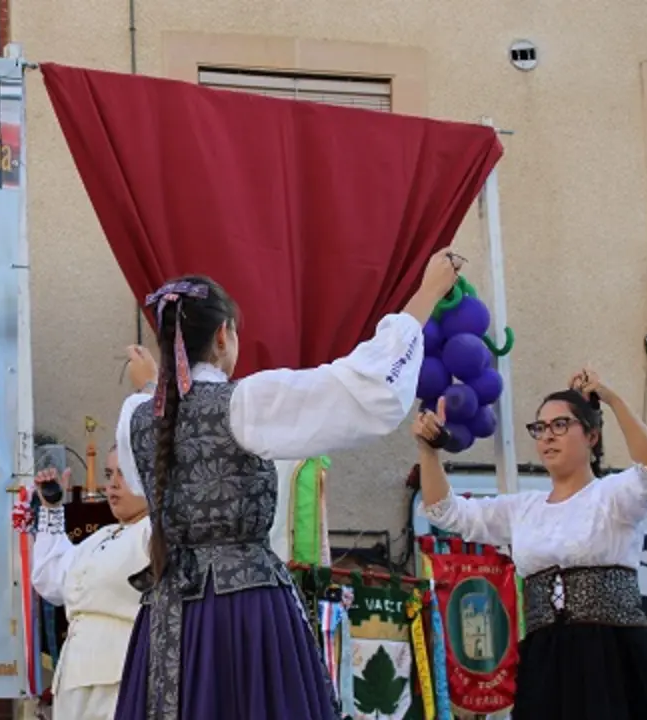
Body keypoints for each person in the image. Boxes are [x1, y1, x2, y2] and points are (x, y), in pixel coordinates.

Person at [112, 249, 462, 720]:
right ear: (223, 335)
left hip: (168, 615)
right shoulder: (243, 403)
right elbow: (366, 391)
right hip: (243, 612)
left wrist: (152, 386)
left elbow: (144, 472)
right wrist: (425, 295)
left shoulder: (136, 416)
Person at [414, 369, 647, 719]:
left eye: (561, 425)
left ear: (592, 436)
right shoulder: (523, 509)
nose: (548, 435)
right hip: (546, 659)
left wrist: (611, 399)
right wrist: (428, 450)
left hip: (612, 655)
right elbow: (445, 511)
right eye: (540, 428)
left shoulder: (613, 495)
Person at [30, 449, 150, 720]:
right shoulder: (101, 537)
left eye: (124, 474)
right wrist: (52, 509)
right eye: (109, 474)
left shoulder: (156, 533)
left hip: (121, 676)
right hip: (73, 677)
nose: (113, 485)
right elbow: (51, 579)